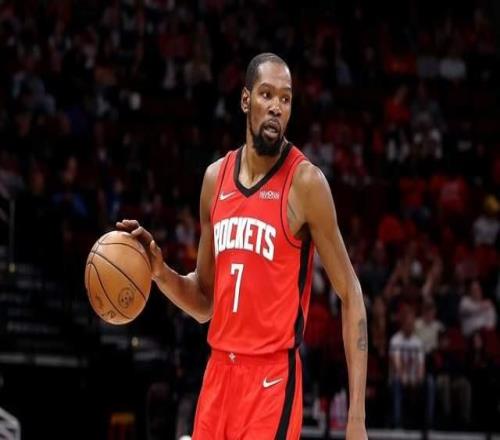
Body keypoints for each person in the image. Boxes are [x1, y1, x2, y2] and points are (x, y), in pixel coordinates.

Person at [117, 52, 367, 439]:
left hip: (271, 381)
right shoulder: (214, 180)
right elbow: (205, 303)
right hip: (218, 375)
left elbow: (351, 293)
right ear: (246, 100)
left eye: (286, 98)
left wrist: (356, 420)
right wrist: (159, 272)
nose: (277, 107)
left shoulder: (306, 184)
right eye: (267, 94)